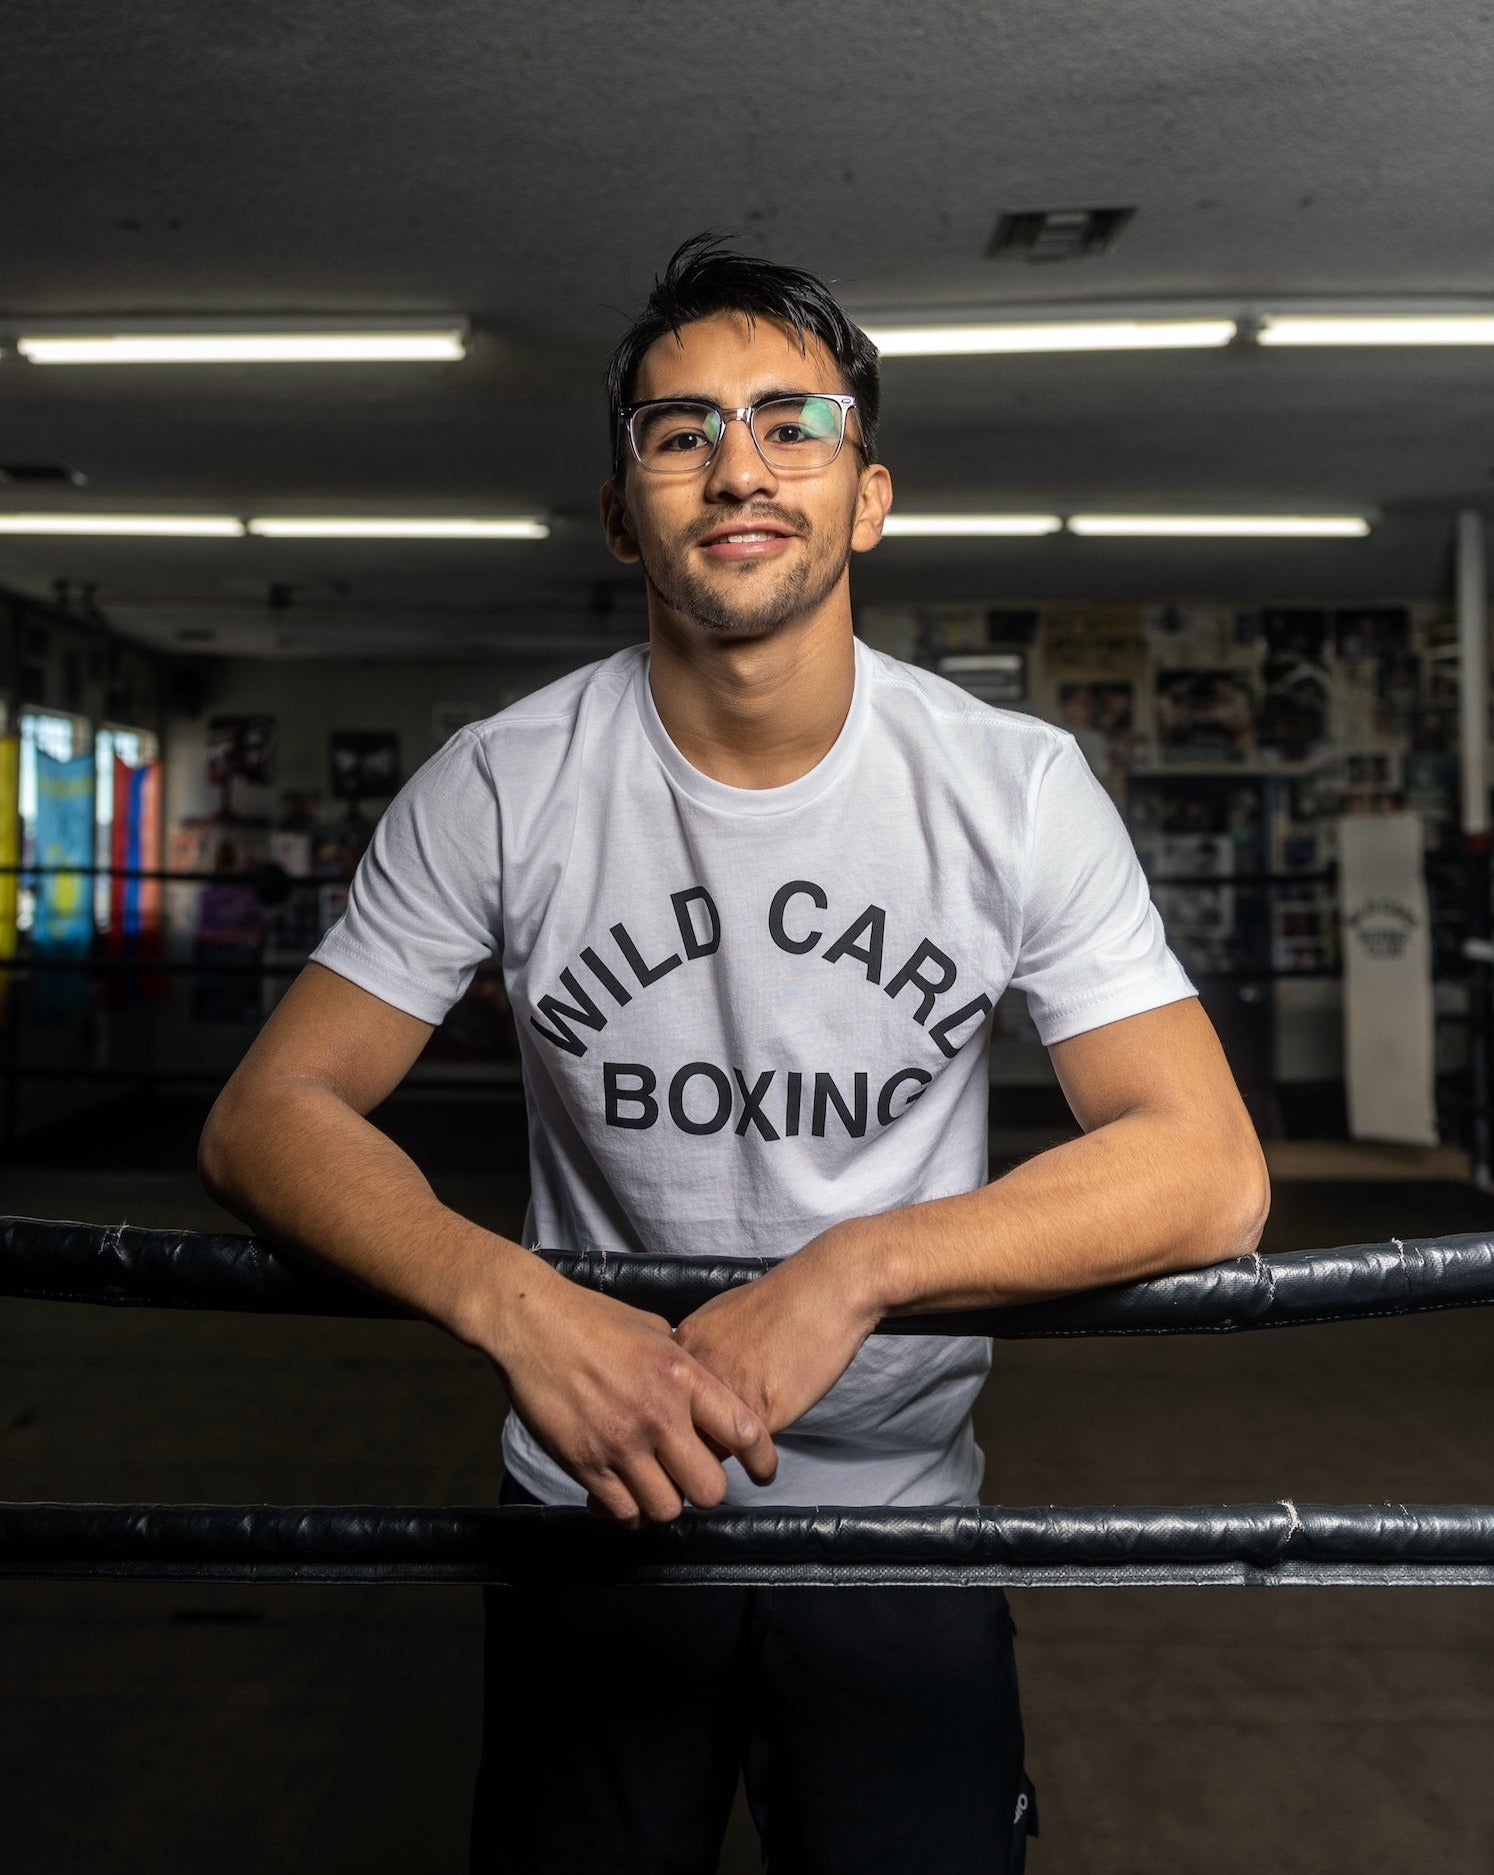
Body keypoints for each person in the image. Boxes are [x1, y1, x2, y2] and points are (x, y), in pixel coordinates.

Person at [199, 233, 1270, 1874]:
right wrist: (512, 1299)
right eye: (679, 430)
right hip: (593, 1505)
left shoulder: (1010, 784)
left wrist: (850, 1271)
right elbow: (270, 1111)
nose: (738, 466)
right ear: (625, 508)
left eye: (792, 422)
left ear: (869, 494)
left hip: (896, 1524)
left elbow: (1204, 1170)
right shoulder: (504, 783)